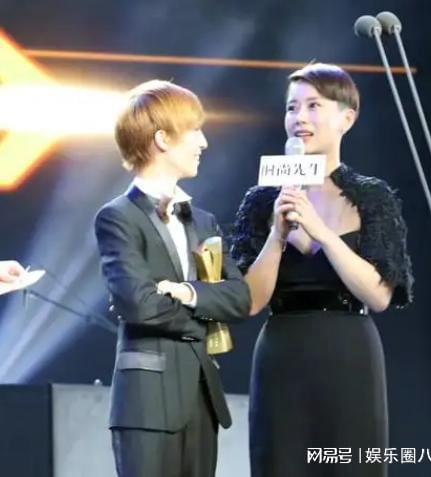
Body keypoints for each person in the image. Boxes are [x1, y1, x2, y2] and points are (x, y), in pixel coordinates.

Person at [231, 63, 413, 477]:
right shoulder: (262, 200)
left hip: (347, 352)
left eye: (313, 106)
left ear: (346, 118)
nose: (300, 118)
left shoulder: (371, 196)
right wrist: (277, 234)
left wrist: (323, 233)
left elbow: (379, 295)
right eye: (292, 107)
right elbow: (250, 302)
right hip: (282, 352)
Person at [94, 79, 251, 477]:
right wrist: (205, 313)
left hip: (201, 398)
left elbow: (240, 298)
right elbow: (139, 305)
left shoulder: (204, 220)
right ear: (162, 138)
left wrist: (187, 293)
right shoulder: (117, 217)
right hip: (146, 402)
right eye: (195, 130)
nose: (204, 142)